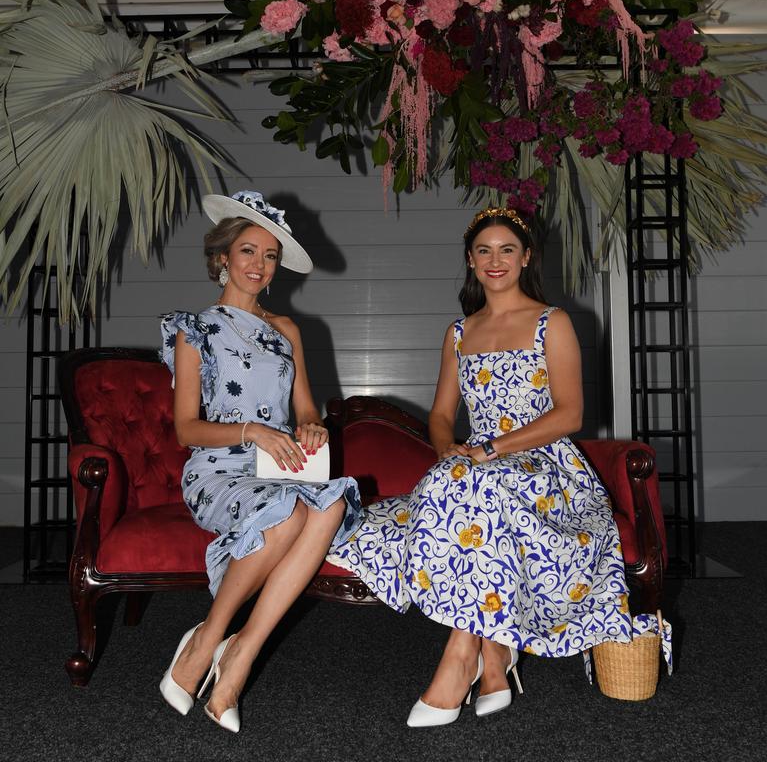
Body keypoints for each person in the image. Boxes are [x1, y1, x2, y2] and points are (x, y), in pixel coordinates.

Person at [329, 207, 631, 726]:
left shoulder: (551, 322)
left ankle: (461, 658)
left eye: (507, 250)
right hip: (474, 464)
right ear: (470, 260)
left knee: (479, 486)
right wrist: (448, 448)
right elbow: (442, 415)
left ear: (526, 257)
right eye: (484, 251)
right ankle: (495, 658)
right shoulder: (459, 332)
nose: (496, 261)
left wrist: (491, 451)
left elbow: (570, 413)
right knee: (462, 487)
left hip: (546, 464)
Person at [159, 190, 361, 732]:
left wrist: (311, 426)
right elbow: (185, 429)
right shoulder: (194, 329)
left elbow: (303, 411)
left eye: (269, 256)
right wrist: (252, 432)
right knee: (291, 514)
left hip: (278, 469)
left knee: (331, 505)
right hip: (218, 470)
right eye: (248, 251)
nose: (258, 265)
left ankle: (241, 652)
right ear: (222, 257)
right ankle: (208, 638)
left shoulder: (287, 332)